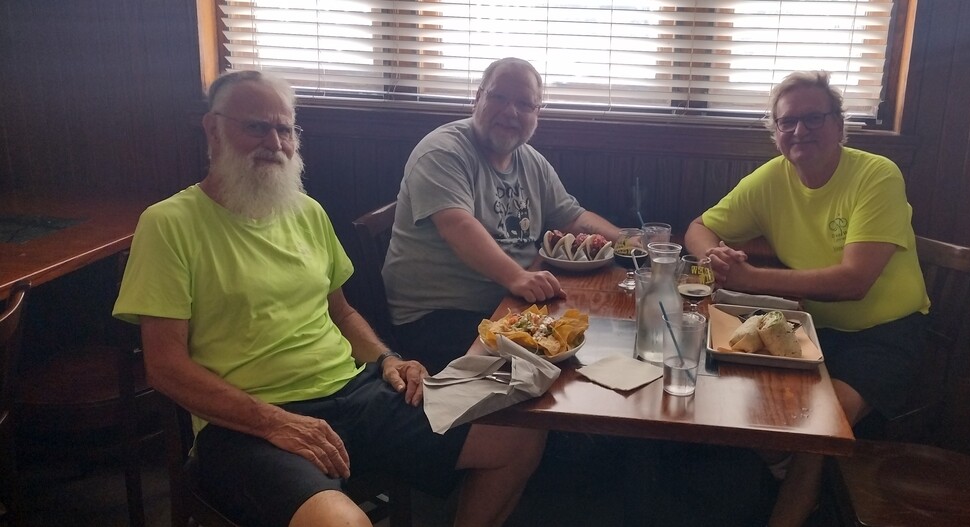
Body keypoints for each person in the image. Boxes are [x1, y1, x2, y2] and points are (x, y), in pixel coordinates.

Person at [112, 70, 546, 527]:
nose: (274, 142)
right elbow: (164, 367)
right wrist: (272, 421)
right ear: (212, 129)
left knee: (517, 439)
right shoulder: (168, 224)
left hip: (354, 395)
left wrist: (387, 360)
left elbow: (341, 311)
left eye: (285, 129)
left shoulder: (306, 212)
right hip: (246, 425)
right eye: (256, 127)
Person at [683, 70, 930, 527]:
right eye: (787, 122)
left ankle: (792, 501)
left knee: (813, 423)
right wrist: (715, 255)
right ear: (775, 133)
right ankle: (793, 473)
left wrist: (752, 278)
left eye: (813, 118)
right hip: (807, 331)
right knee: (733, 404)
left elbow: (854, 282)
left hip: (885, 335)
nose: (800, 131)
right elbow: (697, 228)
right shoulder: (772, 177)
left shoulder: (877, 174)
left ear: (839, 125)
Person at [383, 57, 621, 373]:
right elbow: (457, 225)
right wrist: (518, 277)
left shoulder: (531, 161)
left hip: (510, 304)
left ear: (537, 113)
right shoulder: (442, 151)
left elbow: (572, 218)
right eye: (498, 97)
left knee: (590, 350)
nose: (510, 112)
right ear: (477, 97)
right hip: (439, 315)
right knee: (554, 372)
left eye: (524, 104)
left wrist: (630, 240)